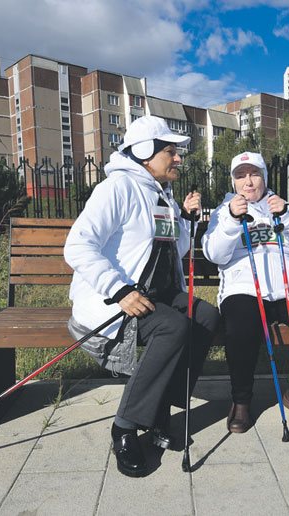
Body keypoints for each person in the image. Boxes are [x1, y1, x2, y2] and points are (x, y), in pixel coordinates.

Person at [63, 116, 220, 477]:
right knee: (173, 329)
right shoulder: (116, 188)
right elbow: (78, 245)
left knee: (207, 317)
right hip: (120, 299)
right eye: (171, 151)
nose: (179, 158)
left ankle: (160, 409)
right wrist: (118, 290)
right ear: (145, 152)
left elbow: (175, 249)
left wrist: (184, 217)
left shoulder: (161, 193)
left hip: (160, 292)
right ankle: (125, 425)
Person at [202, 151, 289, 433]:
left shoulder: (283, 206)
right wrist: (229, 219)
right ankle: (241, 401)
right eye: (241, 176)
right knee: (240, 328)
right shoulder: (222, 210)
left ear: (264, 177)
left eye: (254, 174)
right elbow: (215, 254)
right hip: (243, 289)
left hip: (288, 290)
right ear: (234, 181)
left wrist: (286, 216)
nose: (248, 182)